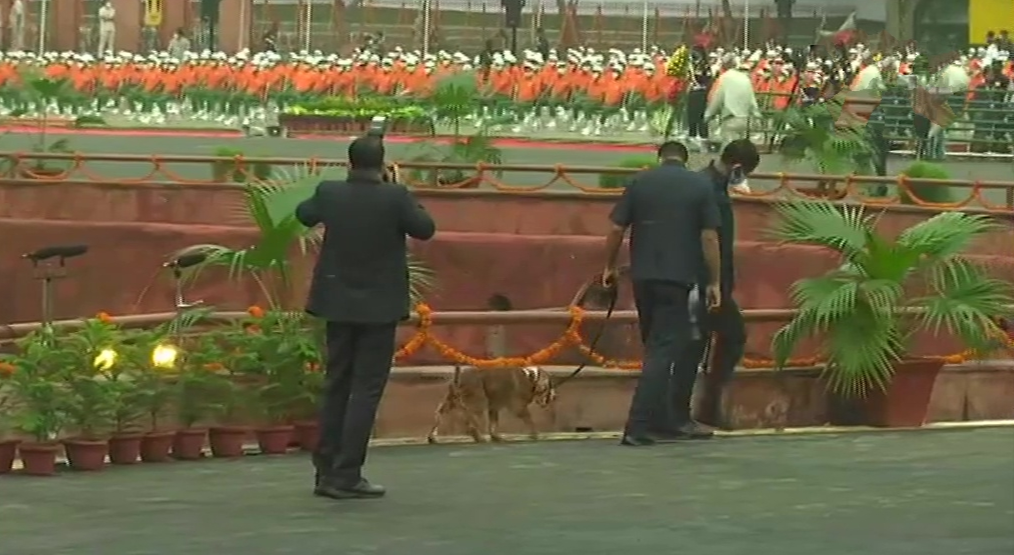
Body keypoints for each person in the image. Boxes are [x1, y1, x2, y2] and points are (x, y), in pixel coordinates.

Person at [295, 137, 436, 499]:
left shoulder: (330, 192)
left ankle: (325, 471)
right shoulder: (395, 196)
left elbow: (303, 215)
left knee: (336, 383)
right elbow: (425, 228)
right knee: (365, 390)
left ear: (349, 163)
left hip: (337, 302)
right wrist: (398, 189)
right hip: (379, 308)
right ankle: (347, 473)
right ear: (383, 165)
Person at [601, 141, 722, 446]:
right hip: (677, 278)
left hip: (643, 277)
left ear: (660, 157)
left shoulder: (641, 181)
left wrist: (608, 266)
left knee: (654, 346)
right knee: (662, 351)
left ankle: (660, 419)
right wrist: (715, 281)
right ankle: (638, 426)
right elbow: (709, 236)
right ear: (685, 159)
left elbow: (616, 228)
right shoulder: (700, 186)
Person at [677, 139, 760, 430]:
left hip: (702, 280)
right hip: (707, 282)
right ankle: (700, 407)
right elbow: (711, 239)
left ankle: (700, 407)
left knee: (702, 342)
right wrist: (716, 282)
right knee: (712, 340)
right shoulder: (712, 191)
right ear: (738, 166)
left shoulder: (703, 182)